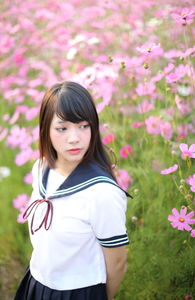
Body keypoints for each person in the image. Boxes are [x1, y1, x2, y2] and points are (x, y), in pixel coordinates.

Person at [14, 81, 132, 300]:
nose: (74, 138)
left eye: (84, 125)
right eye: (62, 128)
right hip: (36, 282)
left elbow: (117, 262)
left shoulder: (102, 193)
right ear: (46, 129)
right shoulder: (41, 169)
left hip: (78, 293)